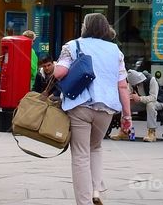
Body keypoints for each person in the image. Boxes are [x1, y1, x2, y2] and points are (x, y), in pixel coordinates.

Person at [53, 12, 133, 205]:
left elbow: (59, 73)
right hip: (106, 109)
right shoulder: (115, 50)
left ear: (85, 26)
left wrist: (56, 65)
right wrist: (127, 115)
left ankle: (84, 202)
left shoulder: (72, 45)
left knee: (80, 154)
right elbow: (122, 86)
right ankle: (96, 190)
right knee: (95, 147)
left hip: (80, 106)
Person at [110, 69, 163, 142]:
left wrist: (139, 98)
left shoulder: (151, 80)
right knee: (126, 105)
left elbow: (153, 97)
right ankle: (124, 131)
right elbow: (129, 92)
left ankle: (152, 132)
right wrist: (129, 97)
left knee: (150, 105)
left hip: (158, 101)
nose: (136, 86)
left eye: (137, 84)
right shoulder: (132, 83)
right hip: (142, 102)